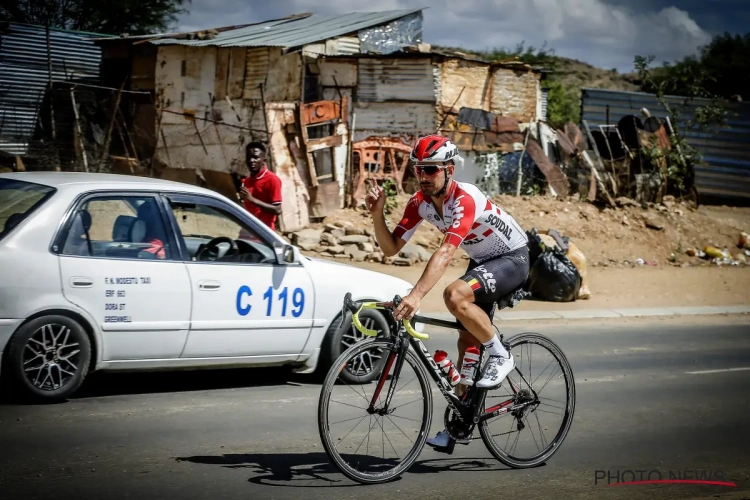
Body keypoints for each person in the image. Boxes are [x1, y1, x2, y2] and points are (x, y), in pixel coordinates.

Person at [365, 134, 530, 452]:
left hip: (512, 257)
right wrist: (377, 215)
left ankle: (501, 354)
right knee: (467, 343)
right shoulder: (419, 204)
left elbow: (445, 253)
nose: (423, 176)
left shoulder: (463, 199)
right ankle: (461, 424)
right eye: (418, 169)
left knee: (454, 295)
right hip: (483, 260)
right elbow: (390, 248)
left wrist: (416, 296)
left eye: (430, 169)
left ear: (449, 170)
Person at [239, 142, 282, 231]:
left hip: (264, 233)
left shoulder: (272, 180)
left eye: (255, 157)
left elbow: (278, 210)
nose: (251, 160)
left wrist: (252, 200)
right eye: (249, 157)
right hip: (247, 231)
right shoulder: (247, 180)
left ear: (264, 160)